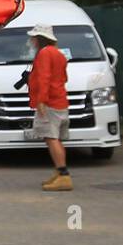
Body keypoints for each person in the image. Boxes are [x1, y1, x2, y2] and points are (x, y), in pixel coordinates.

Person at [26, 24, 72, 191]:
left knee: (51, 138)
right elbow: (64, 77)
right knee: (56, 139)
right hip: (60, 100)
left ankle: (64, 175)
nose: (31, 41)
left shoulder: (44, 53)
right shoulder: (59, 53)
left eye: (33, 37)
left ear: (39, 38)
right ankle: (60, 174)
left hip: (49, 103)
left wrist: (42, 101)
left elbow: (44, 78)